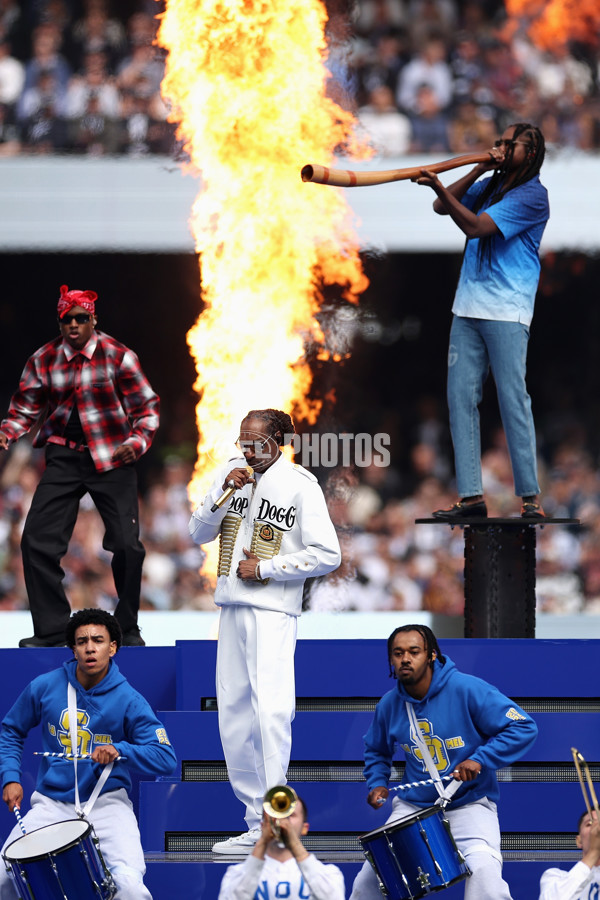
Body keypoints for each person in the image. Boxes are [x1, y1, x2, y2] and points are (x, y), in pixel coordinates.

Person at [189, 408, 341, 854]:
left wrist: (269, 568)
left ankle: (278, 821)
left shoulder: (299, 484)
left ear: (280, 441)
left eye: (258, 443)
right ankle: (255, 822)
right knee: (233, 717)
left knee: (270, 714)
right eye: (243, 442)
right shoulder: (229, 474)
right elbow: (196, 532)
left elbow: (327, 553)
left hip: (272, 612)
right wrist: (221, 489)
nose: (249, 451)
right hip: (232, 608)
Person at [0, 284, 160, 647]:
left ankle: (128, 627)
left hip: (112, 455)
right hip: (63, 455)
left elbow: (146, 408)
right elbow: (25, 407)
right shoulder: (44, 358)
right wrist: (7, 433)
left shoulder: (118, 356)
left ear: (93, 320)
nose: (74, 325)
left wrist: (136, 443)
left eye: (81, 318)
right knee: (36, 541)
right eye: (67, 319)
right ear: (60, 323)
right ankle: (53, 630)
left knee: (127, 545)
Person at [412, 122, 549, 521]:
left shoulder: (532, 196)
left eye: (512, 145)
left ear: (532, 154)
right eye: (501, 142)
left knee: (512, 400)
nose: (502, 148)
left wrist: (438, 185)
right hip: (467, 309)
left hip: (507, 310)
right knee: (460, 400)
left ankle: (530, 498)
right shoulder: (491, 184)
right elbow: (442, 208)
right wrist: (475, 170)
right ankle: (471, 496)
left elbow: (474, 227)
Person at [349, 624, 538, 900]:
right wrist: (377, 782)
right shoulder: (389, 704)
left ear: (432, 655)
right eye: (398, 653)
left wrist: (480, 759)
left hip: (469, 806)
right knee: (367, 884)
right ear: (391, 659)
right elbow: (376, 750)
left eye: (414, 651)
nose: (405, 659)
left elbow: (523, 727)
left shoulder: (466, 688)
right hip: (413, 809)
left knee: (486, 877)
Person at [0, 608, 177, 900]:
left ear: (113, 647)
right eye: (82, 641)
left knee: (131, 889)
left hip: (108, 806)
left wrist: (120, 750)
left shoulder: (129, 699)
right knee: (5, 877)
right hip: (51, 805)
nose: (90, 648)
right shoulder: (45, 686)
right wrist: (10, 778)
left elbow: (165, 757)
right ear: (73, 648)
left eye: (98, 640)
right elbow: (10, 730)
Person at [217, 793, 346, 900]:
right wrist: (263, 841)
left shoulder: (330, 873)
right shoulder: (234, 874)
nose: (282, 820)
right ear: (262, 825)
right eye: (275, 814)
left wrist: (294, 843)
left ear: (304, 828)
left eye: (290, 815)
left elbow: (333, 896)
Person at [539, 809, 600, 900]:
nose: (596, 830)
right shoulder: (555, 877)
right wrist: (594, 852)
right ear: (579, 841)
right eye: (590, 824)